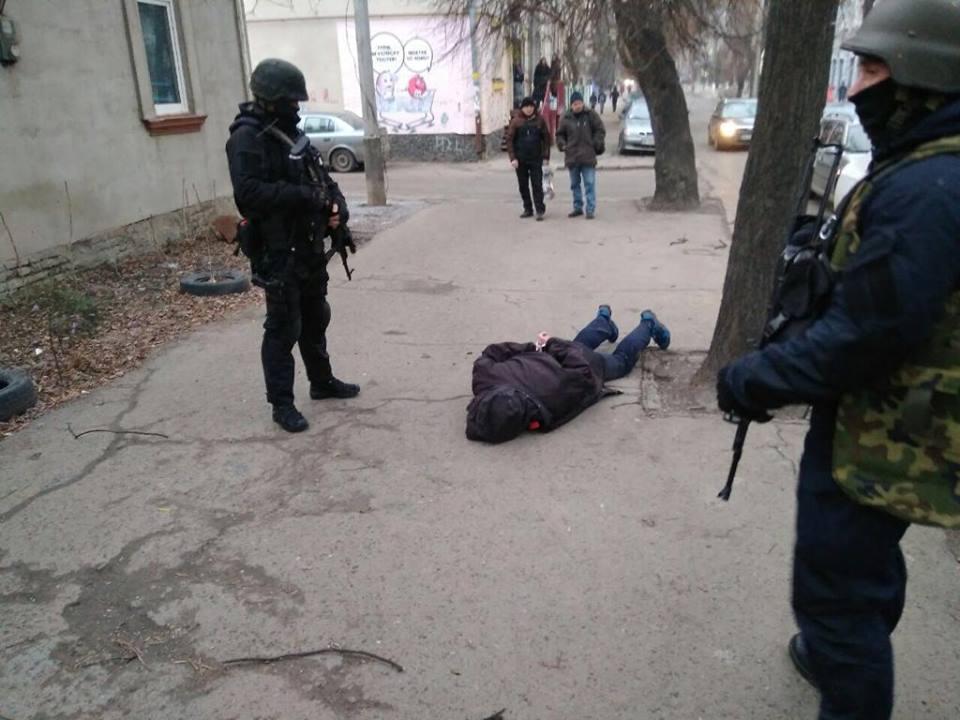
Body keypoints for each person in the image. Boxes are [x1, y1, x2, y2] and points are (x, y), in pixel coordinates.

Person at [715, 2, 960, 718]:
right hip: (904, 424)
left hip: (883, 433)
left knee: (837, 595)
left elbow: (866, 336)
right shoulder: (927, 169)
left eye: (873, 70)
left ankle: (843, 662)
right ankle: (834, 652)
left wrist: (753, 379)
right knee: (865, 569)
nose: (855, 89)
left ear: (924, 77)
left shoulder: (926, 191)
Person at [226, 58, 360, 433]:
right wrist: (305, 198)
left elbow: (324, 181)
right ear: (269, 99)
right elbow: (248, 194)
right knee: (284, 328)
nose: (296, 107)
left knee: (316, 318)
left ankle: (321, 382)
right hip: (279, 250)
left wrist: (337, 209)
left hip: (309, 247)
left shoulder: (291, 133)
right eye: (290, 101)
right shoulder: (247, 138)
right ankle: (282, 404)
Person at [466, 306, 670, 443]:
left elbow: (584, 373)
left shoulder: (548, 399)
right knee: (577, 346)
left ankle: (648, 325)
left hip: (576, 362)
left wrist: (550, 346)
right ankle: (603, 320)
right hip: (554, 356)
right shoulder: (485, 378)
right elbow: (492, 352)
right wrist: (536, 347)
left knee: (620, 362)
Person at [555, 91, 606, 219]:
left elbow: (600, 130)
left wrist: (596, 142)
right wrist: (562, 145)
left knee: (589, 183)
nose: (577, 106)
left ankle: (590, 209)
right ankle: (577, 207)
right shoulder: (566, 118)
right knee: (574, 184)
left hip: (588, 156)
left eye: (579, 103)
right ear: (571, 105)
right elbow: (559, 135)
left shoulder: (591, 115)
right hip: (572, 156)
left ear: (583, 103)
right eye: (575, 104)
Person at [505, 96, 552, 220]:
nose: (529, 109)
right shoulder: (516, 121)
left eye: (531, 106)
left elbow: (546, 139)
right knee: (523, 186)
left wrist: (546, 156)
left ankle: (540, 209)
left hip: (536, 158)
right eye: (526, 107)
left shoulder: (539, 120)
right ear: (522, 108)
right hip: (520, 160)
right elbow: (509, 140)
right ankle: (528, 208)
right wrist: (513, 158)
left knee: (537, 185)